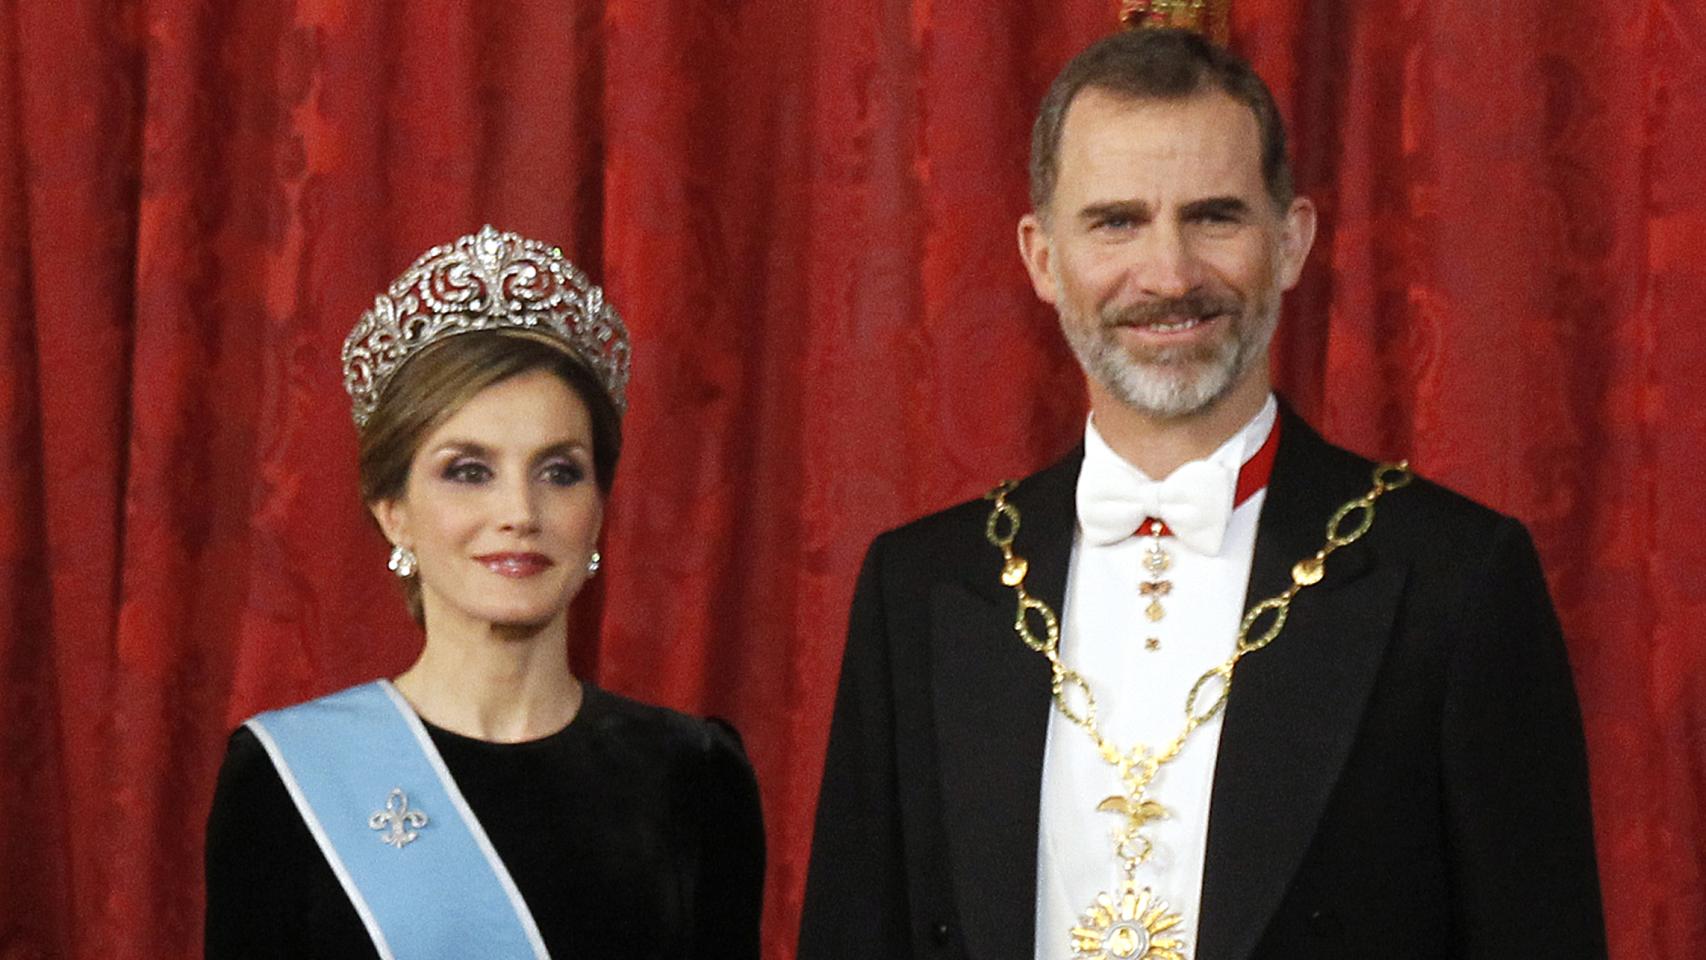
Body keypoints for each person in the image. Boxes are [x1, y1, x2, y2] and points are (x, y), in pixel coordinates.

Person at [799, 28, 1605, 960]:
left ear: (1291, 240)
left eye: (1215, 216)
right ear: (1041, 257)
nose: (1170, 275)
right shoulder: (921, 586)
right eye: (1116, 222)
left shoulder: (1456, 581)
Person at [205, 226, 764, 960]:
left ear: (599, 505)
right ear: (392, 510)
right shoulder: (289, 775)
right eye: (469, 470)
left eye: (559, 471)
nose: (520, 514)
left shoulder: (695, 776)